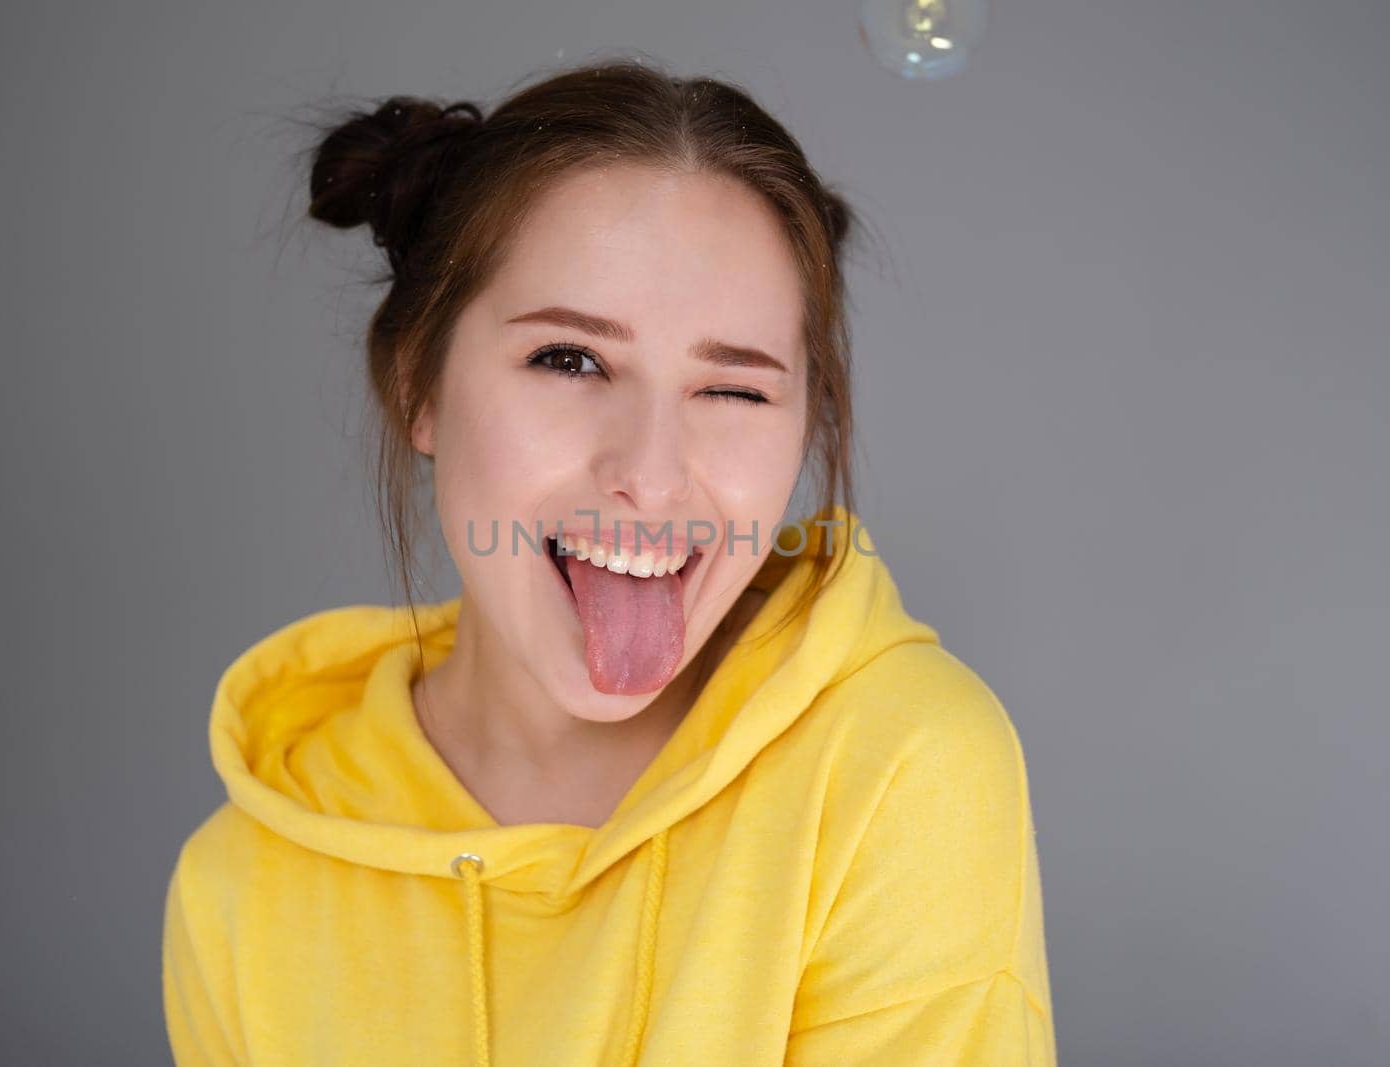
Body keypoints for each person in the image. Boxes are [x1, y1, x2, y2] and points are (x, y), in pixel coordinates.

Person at [162, 58, 1055, 1066]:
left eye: (734, 389)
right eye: (570, 360)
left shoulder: (898, 764)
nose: (652, 475)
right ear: (419, 384)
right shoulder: (242, 880)